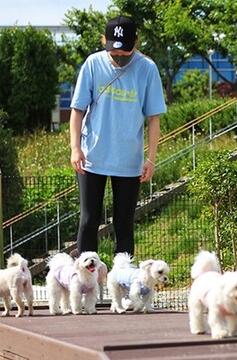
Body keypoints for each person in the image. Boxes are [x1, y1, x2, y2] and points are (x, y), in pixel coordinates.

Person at [69, 15, 166, 255]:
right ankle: (86, 276)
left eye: (125, 51)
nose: (120, 56)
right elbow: (77, 110)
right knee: (88, 221)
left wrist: (151, 158)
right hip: (92, 157)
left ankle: (123, 276)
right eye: (114, 51)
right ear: (104, 41)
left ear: (136, 42)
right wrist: (75, 148)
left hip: (129, 160)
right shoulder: (93, 64)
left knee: (123, 224)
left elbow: (154, 118)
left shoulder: (148, 68)